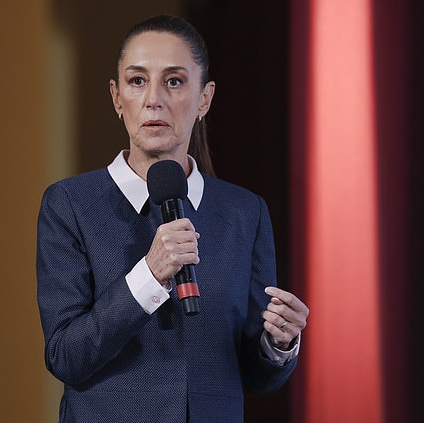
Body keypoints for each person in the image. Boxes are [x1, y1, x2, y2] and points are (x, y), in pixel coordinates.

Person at [36, 15, 309, 423]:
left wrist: (278, 343)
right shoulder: (70, 204)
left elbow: (254, 376)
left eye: (175, 81)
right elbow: (65, 356)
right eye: (137, 81)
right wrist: (150, 272)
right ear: (116, 97)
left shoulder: (243, 212)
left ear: (205, 98)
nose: (154, 100)